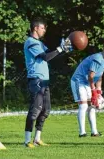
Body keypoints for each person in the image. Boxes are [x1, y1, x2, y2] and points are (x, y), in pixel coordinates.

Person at [23, 17, 73, 148]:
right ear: (35, 28)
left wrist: (64, 50)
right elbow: (44, 57)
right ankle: (27, 141)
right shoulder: (30, 42)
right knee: (35, 110)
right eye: (42, 28)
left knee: (45, 110)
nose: (44, 30)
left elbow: (50, 56)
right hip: (36, 80)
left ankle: (37, 139)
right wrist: (60, 49)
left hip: (44, 81)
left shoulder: (40, 44)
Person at [71, 40, 104, 137]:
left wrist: (98, 91)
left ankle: (94, 132)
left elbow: (99, 76)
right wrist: (93, 91)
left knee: (92, 106)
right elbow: (90, 76)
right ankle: (82, 133)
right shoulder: (98, 58)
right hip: (79, 81)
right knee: (83, 105)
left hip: (87, 82)